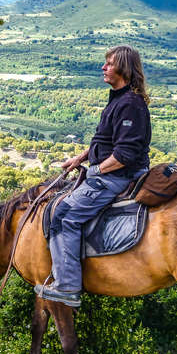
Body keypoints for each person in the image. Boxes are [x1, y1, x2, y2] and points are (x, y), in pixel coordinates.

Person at [40, 45, 152, 307]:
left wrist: (97, 169)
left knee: (64, 215)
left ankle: (67, 286)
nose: (104, 67)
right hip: (108, 172)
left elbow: (124, 154)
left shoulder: (131, 105)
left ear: (123, 68)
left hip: (116, 177)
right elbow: (106, 141)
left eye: (109, 64)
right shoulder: (118, 98)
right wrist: (79, 159)